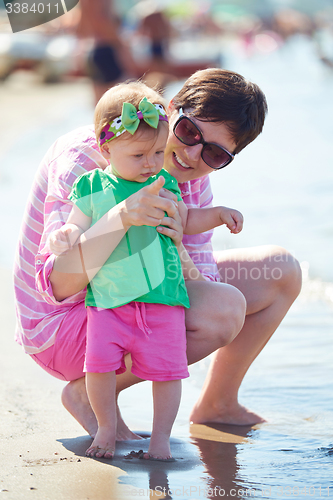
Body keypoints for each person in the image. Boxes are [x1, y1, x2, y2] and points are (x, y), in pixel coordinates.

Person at [13, 68, 302, 445]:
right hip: (59, 327)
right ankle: (91, 389)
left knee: (281, 272)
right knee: (223, 309)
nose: (191, 154)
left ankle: (218, 402)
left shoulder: (192, 179)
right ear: (170, 110)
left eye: (214, 152)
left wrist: (178, 244)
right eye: (189, 132)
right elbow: (57, 285)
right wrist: (122, 216)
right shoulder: (90, 155)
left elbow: (200, 284)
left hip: (131, 296)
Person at [46, 82, 243, 459]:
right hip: (106, 301)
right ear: (107, 149)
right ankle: (104, 428)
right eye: (140, 154)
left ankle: (161, 440)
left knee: (168, 372)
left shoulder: (165, 181)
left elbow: (187, 218)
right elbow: (73, 229)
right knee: (101, 366)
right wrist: (69, 235)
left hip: (161, 299)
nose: (154, 162)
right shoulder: (90, 180)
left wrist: (216, 217)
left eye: (155, 152)